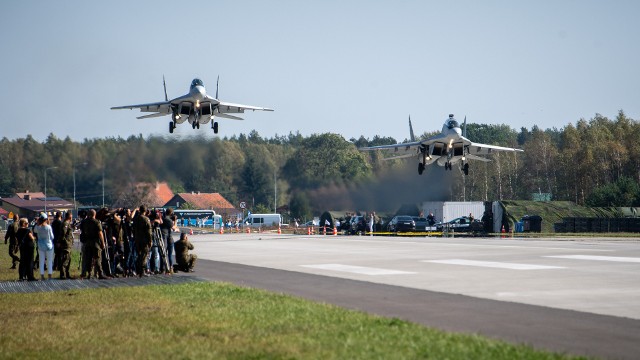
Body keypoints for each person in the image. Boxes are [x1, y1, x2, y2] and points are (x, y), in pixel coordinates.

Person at [80, 209, 108, 279]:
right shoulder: (96, 222)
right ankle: (100, 273)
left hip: (87, 242)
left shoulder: (84, 222)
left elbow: (82, 231)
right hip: (95, 242)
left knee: (88, 259)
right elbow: (100, 233)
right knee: (98, 258)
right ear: (94, 214)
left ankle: (89, 273)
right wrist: (103, 243)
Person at [34, 213, 55, 280]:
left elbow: (34, 230)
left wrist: (37, 223)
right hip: (48, 245)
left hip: (40, 245)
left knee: (41, 261)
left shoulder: (38, 227)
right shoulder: (48, 227)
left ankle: (42, 275)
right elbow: (52, 236)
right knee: (49, 261)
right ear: (46, 219)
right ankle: (49, 275)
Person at [133, 205, 152, 277]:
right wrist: (150, 241)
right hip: (144, 240)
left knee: (139, 255)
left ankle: (138, 270)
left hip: (137, 239)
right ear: (145, 211)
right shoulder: (146, 219)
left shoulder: (136, 219)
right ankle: (142, 271)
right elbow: (149, 232)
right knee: (144, 256)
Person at [160, 208, 177, 273]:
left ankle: (163, 268)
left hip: (166, 236)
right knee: (168, 254)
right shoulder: (167, 219)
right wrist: (175, 221)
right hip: (167, 237)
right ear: (171, 213)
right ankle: (170, 267)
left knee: (164, 253)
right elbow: (174, 228)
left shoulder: (164, 218)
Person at [59, 212, 75, 279]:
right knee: (65, 259)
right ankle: (63, 274)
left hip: (69, 243)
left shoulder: (68, 224)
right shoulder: (65, 224)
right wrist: (63, 242)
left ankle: (67, 273)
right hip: (66, 244)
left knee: (68, 259)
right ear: (69, 217)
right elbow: (63, 234)